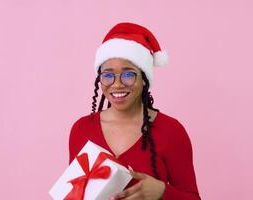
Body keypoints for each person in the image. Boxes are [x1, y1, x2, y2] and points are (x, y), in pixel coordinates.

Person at [68, 22, 201, 200]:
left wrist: (162, 191)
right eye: (108, 74)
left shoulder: (171, 131)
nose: (117, 84)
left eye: (128, 74)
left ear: (145, 79)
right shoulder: (81, 129)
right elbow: (74, 193)